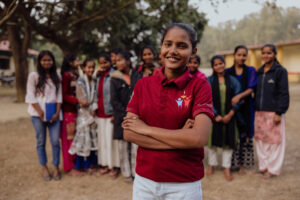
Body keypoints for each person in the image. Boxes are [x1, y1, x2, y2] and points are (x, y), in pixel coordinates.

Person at [123, 23, 214, 200]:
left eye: (181, 46)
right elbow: (129, 132)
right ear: (161, 48)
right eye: (168, 44)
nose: (173, 50)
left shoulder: (200, 86)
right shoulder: (143, 85)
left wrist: (146, 129)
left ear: (193, 51)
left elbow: (199, 138)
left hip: (184, 184)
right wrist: (181, 137)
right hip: (144, 182)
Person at [25, 50, 62, 181]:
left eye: (49, 60)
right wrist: (40, 112)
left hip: (54, 115)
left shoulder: (57, 76)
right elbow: (30, 95)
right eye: (44, 60)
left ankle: (56, 166)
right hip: (37, 114)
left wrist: (57, 113)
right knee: (41, 141)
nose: (47, 62)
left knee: (55, 141)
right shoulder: (33, 76)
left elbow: (59, 96)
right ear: (39, 62)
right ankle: (44, 167)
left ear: (53, 61)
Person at [254, 44, 289, 178]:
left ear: (275, 54)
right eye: (263, 53)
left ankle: (273, 170)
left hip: (274, 112)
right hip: (259, 112)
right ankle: (263, 167)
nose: (266, 56)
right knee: (261, 140)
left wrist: (279, 112)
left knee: (275, 142)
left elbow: (284, 93)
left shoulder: (280, 71)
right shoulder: (259, 71)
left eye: (269, 53)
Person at [206, 55, 242, 181]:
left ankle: (226, 167)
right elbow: (206, 99)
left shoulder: (232, 80)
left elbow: (238, 97)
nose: (219, 66)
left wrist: (230, 114)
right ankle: (211, 165)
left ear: (224, 64)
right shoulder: (209, 81)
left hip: (230, 116)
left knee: (229, 143)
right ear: (213, 67)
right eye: (216, 64)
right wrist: (215, 115)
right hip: (214, 117)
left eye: (221, 63)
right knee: (212, 143)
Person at [110, 50, 142, 183]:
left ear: (128, 61)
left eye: (120, 60)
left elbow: (141, 95)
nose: (117, 63)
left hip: (136, 117)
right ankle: (126, 173)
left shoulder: (137, 75)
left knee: (135, 146)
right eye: (116, 61)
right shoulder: (114, 78)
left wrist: (135, 113)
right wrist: (126, 114)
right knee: (123, 147)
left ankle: (136, 173)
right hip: (122, 117)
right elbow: (114, 100)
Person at [226, 45, 257, 173]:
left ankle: (242, 164)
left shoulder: (250, 71)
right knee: (233, 133)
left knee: (244, 135)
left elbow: (251, 88)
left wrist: (238, 96)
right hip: (232, 107)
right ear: (234, 55)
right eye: (239, 54)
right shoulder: (228, 72)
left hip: (247, 107)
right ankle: (231, 163)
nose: (242, 57)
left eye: (244, 55)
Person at [68, 58, 98, 175]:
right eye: (88, 67)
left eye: (92, 67)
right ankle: (79, 166)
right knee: (82, 139)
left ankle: (90, 164)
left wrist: (94, 109)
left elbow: (95, 97)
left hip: (92, 113)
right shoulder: (80, 81)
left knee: (91, 139)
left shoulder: (94, 81)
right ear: (84, 68)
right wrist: (88, 116)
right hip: (83, 114)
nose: (91, 69)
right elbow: (81, 101)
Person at [96, 53, 120, 178]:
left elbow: (116, 96)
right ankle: (105, 164)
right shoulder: (99, 76)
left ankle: (114, 166)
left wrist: (116, 113)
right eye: (101, 63)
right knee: (103, 141)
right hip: (100, 113)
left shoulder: (114, 75)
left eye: (105, 62)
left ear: (110, 62)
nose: (103, 65)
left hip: (110, 113)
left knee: (111, 142)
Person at [60, 54, 84, 176]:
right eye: (76, 59)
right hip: (69, 111)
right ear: (70, 62)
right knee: (69, 139)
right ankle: (69, 167)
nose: (78, 61)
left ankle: (76, 164)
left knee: (76, 138)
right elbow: (63, 95)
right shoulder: (66, 76)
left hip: (77, 111)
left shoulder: (77, 75)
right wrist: (77, 101)